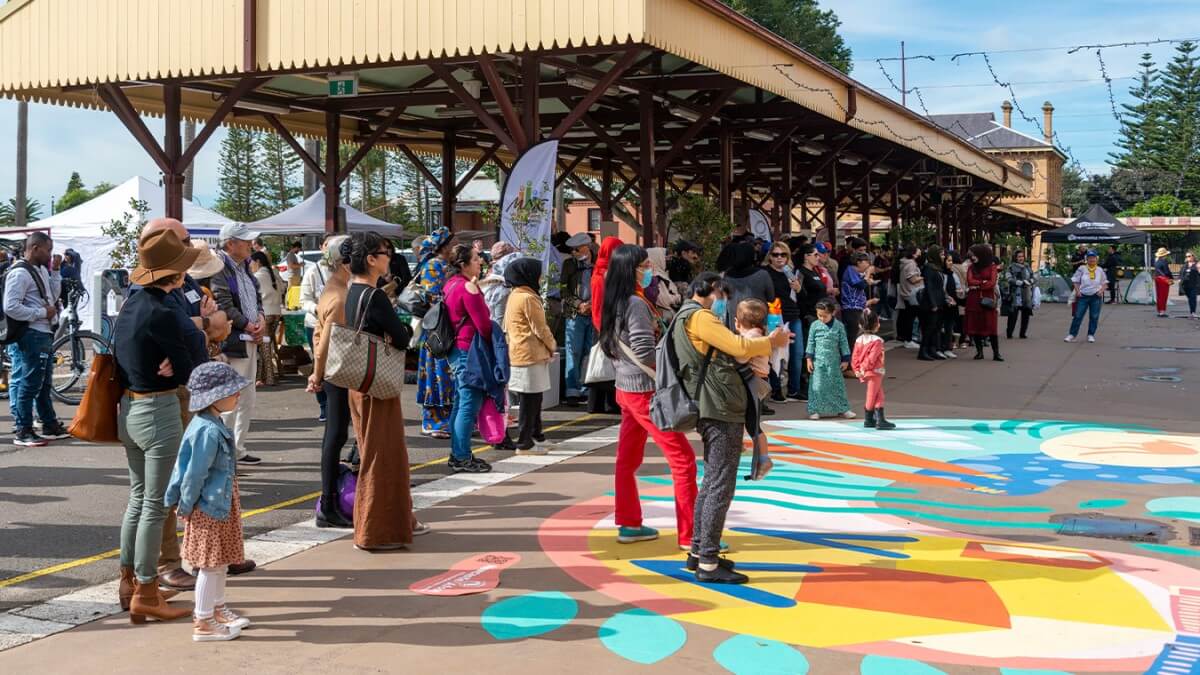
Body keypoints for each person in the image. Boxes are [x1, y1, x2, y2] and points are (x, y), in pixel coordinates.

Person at [672, 272, 790, 582]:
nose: (724, 302)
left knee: (712, 481)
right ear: (711, 291)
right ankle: (708, 560)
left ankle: (699, 552)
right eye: (723, 295)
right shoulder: (701, 318)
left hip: (712, 402)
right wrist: (772, 340)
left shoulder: (685, 315)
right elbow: (738, 347)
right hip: (721, 404)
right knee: (721, 484)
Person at [112, 228, 201, 624]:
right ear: (177, 275)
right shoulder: (164, 312)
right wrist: (176, 361)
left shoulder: (131, 307)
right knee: (154, 504)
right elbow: (190, 365)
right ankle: (147, 589)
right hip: (158, 410)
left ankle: (129, 579)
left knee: (137, 499)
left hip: (130, 408)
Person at [600, 244, 698, 549]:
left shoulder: (613, 300)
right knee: (683, 460)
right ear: (631, 270)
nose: (649, 272)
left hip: (625, 389)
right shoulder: (636, 304)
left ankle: (629, 522)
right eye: (644, 266)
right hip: (645, 391)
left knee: (627, 460)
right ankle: (692, 535)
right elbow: (643, 349)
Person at [343, 232, 423, 550]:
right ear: (371, 259)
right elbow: (401, 336)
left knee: (374, 453)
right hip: (377, 385)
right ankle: (377, 531)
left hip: (361, 382)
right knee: (384, 457)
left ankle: (390, 525)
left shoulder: (353, 291)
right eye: (384, 252)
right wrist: (401, 329)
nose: (390, 257)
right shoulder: (373, 295)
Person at [164, 362, 253, 642]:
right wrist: (187, 505)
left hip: (218, 506)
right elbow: (193, 474)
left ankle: (215, 609)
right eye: (232, 391)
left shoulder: (209, 423)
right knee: (210, 565)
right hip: (209, 508)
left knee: (220, 563)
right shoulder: (208, 430)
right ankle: (203, 621)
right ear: (214, 398)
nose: (237, 394)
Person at [305, 236, 354, 529]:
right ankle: (328, 502)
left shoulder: (334, 287)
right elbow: (324, 342)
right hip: (336, 370)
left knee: (335, 435)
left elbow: (319, 338)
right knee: (335, 435)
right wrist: (317, 373)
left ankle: (329, 500)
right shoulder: (337, 294)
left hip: (334, 368)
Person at [3, 232, 69, 447]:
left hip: (43, 332)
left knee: (43, 382)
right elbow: (10, 307)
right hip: (32, 333)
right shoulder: (20, 273)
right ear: (35, 248)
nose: (51, 255)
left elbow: (51, 294)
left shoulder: (39, 269)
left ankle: (48, 424)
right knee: (29, 383)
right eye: (48, 250)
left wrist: (57, 272)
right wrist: (41, 313)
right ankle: (23, 430)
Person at [210, 224, 265, 464]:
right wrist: (247, 324)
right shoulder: (220, 268)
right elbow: (222, 303)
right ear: (230, 243)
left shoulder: (244, 268)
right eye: (245, 241)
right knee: (231, 397)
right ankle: (226, 451)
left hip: (248, 337)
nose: (250, 244)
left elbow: (256, 297)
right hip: (235, 340)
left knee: (247, 396)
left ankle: (237, 448)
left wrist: (260, 319)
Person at [444, 242, 495, 474]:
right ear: (463, 264)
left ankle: (458, 453)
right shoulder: (468, 288)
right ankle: (462, 456)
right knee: (468, 404)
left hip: (455, 349)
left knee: (460, 402)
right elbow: (484, 324)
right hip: (469, 351)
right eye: (475, 259)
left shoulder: (451, 285)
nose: (480, 262)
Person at [503, 257, 556, 455]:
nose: (541, 277)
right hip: (530, 353)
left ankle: (536, 436)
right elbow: (540, 328)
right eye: (538, 273)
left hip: (522, 352)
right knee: (530, 399)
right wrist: (552, 345)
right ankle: (525, 442)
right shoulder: (528, 298)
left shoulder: (516, 294)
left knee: (534, 397)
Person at [414, 228, 456, 438]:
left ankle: (447, 418)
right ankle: (432, 421)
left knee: (446, 375)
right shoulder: (432, 266)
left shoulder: (446, 265)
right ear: (443, 246)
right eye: (450, 243)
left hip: (447, 327)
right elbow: (431, 296)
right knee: (436, 373)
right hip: (437, 328)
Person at [733, 298, 774, 480]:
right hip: (755, 382)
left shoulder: (752, 338)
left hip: (753, 383)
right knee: (743, 415)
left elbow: (741, 358)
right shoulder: (759, 334)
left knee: (752, 423)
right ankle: (738, 443)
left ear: (739, 322)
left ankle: (764, 459)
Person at [300, 234, 336, 421]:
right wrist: (319, 309)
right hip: (316, 325)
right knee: (319, 365)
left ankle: (338, 405)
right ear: (322, 247)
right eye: (329, 245)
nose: (332, 249)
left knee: (339, 367)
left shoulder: (346, 270)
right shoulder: (313, 271)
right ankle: (324, 406)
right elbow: (304, 300)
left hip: (341, 327)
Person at [763, 242, 804, 403]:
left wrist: (798, 288)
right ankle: (776, 390)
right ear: (770, 257)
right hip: (774, 317)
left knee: (797, 353)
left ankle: (794, 390)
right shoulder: (765, 273)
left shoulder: (792, 273)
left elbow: (803, 296)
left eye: (783, 254)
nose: (779, 258)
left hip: (793, 315)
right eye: (775, 255)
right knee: (776, 355)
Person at [588, 237, 623, 415]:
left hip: (601, 322)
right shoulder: (605, 275)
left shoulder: (599, 272)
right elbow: (602, 303)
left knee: (602, 362)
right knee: (606, 362)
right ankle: (607, 403)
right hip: (604, 323)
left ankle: (598, 404)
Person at [560, 232, 595, 405]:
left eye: (577, 249)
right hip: (575, 313)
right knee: (573, 350)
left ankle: (587, 388)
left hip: (594, 312)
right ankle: (572, 390)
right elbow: (563, 290)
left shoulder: (599, 264)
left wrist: (593, 304)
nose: (574, 253)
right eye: (572, 250)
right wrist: (579, 304)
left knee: (590, 351)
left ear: (587, 247)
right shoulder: (568, 264)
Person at [806, 298, 854, 420]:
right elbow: (810, 342)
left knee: (837, 385)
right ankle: (814, 409)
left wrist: (846, 360)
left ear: (833, 313)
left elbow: (843, 343)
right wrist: (809, 359)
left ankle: (843, 408)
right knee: (817, 385)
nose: (822, 318)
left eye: (825, 316)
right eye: (819, 315)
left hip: (834, 361)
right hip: (818, 361)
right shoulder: (814, 325)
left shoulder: (839, 326)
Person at [852, 308, 895, 430]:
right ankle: (874, 419)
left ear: (860, 325)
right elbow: (872, 358)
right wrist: (864, 368)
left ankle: (871, 419)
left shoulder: (858, 340)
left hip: (864, 371)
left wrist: (857, 369)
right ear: (877, 324)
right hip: (874, 371)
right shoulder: (877, 341)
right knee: (876, 395)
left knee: (875, 394)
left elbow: (855, 356)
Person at [249, 251, 284, 387]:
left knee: (264, 347)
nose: (250, 266)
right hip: (276, 312)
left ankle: (269, 378)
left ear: (257, 262)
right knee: (267, 345)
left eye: (251, 263)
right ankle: (263, 376)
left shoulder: (257, 276)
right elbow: (282, 289)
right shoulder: (274, 273)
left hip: (265, 314)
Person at [965, 244, 1002, 361]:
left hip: (987, 300)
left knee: (991, 326)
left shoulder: (992, 267)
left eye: (974, 255)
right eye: (971, 256)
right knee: (975, 326)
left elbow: (992, 282)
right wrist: (983, 282)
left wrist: (978, 284)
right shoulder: (971, 267)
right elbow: (969, 281)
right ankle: (979, 352)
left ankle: (996, 353)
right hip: (973, 300)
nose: (972, 258)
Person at [841, 252, 878, 360]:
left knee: (857, 336)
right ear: (858, 262)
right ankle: (848, 366)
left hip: (857, 307)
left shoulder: (854, 272)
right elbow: (860, 284)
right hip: (851, 308)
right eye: (866, 261)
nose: (868, 264)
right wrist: (867, 274)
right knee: (852, 337)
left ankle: (853, 363)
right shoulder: (850, 270)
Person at [1066, 249, 1108, 343]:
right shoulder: (1082, 268)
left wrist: (1101, 291)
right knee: (1078, 315)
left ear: (1096, 259)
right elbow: (1075, 281)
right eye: (1089, 258)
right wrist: (1077, 291)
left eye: (1093, 258)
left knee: (1094, 316)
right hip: (1083, 296)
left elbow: (1105, 283)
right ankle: (1072, 334)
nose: (1091, 259)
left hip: (1095, 297)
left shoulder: (1100, 270)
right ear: (1086, 259)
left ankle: (1091, 334)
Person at [722, 240, 775, 309]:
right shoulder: (762, 275)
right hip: (758, 316)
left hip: (735, 317)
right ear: (752, 255)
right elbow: (771, 298)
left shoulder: (727, 276)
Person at [918, 245, 947, 361]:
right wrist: (933, 303)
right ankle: (923, 351)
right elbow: (929, 287)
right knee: (929, 328)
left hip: (939, 302)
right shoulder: (929, 268)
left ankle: (932, 349)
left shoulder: (938, 267)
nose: (943, 257)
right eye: (941, 254)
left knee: (936, 327)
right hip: (930, 303)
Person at [895, 244, 924, 349]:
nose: (920, 253)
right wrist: (923, 278)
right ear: (913, 253)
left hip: (906, 292)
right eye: (918, 251)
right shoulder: (911, 264)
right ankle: (909, 339)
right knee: (911, 318)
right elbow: (912, 279)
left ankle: (907, 338)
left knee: (907, 317)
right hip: (912, 293)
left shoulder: (904, 262)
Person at [1004, 249, 1035, 340]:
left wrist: (1030, 281)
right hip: (1016, 293)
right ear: (1015, 258)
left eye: (1022, 256)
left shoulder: (1027, 266)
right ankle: (1009, 333)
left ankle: (1023, 333)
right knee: (1013, 315)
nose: (1021, 258)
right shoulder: (1011, 267)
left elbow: (1033, 277)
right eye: (1019, 257)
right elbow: (1008, 278)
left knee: (1026, 315)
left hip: (1026, 294)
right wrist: (1020, 283)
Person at [1154, 247, 1174, 317]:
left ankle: (1159, 310)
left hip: (1157, 278)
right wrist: (1171, 278)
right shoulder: (1164, 261)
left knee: (1159, 295)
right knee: (1164, 296)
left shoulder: (1156, 261)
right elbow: (1167, 271)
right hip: (1163, 279)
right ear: (1164, 255)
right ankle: (1162, 311)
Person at [1181, 251, 1199, 319]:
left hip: (1194, 284)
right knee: (1190, 299)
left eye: (1189, 256)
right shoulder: (1185, 265)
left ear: (1193, 256)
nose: (1187, 257)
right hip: (1186, 285)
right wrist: (1180, 279)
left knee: (1193, 298)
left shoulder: (1197, 264)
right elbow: (1181, 273)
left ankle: (1193, 313)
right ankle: (1192, 312)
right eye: (1186, 256)